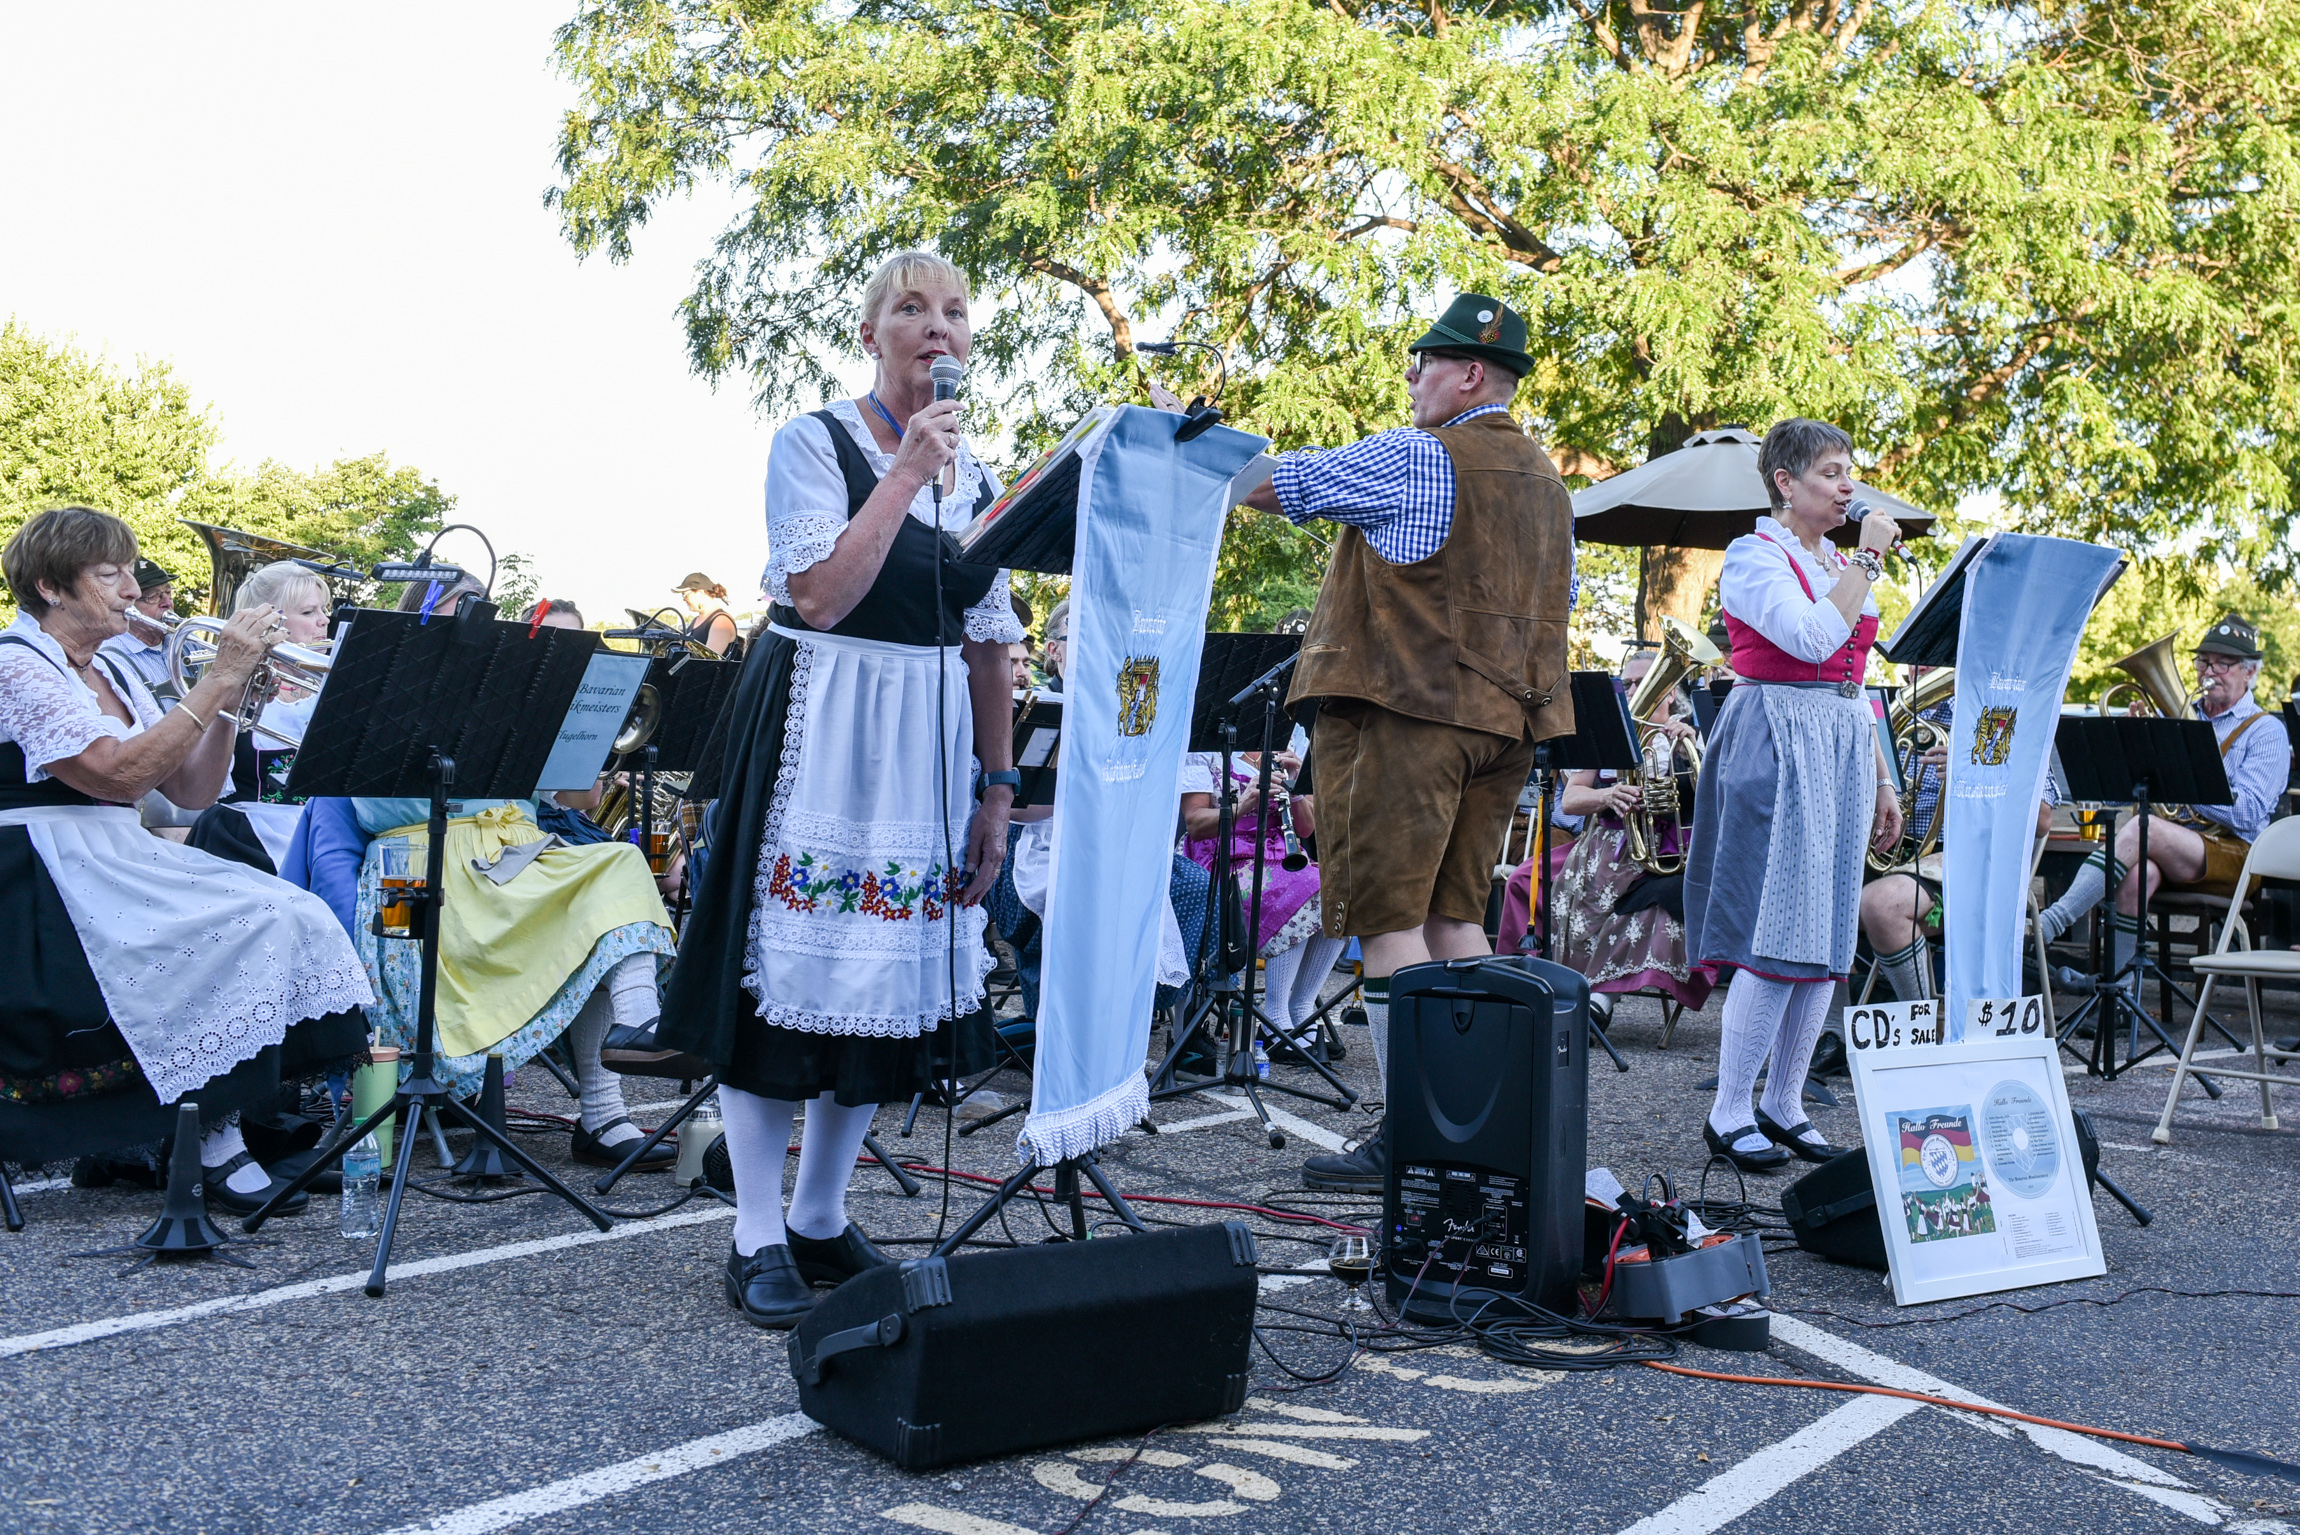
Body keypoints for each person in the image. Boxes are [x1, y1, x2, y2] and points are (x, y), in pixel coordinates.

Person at [648, 249, 1024, 1329]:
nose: (938, 327)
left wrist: (996, 792)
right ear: (870, 332)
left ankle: (819, 1215)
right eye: (912, 308)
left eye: (955, 311)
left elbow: (989, 646)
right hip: (820, 716)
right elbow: (818, 596)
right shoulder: (812, 443)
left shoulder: (980, 479)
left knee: (879, 980)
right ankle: (754, 1231)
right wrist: (903, 474)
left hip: (923, 739)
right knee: (788, 968)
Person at [1239, 294, 1575, 1191]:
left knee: (1387, 924)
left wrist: (1194, 453)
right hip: (1508, 727)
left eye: (1423, 363)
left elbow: (1276, 487)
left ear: (1469, 372)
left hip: (1411, 714)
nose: (1412, 378)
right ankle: (1487, 1122)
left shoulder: (1421, 454)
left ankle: (1416, 1133)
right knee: (1455, 921)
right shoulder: (1549, 484)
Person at [0, 507, 371, 1214]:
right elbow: (114, 775)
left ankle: (223, 1129)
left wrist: (236, 696)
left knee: (290, 909)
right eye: (109, 574)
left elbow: (192, 792)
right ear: (50, 586)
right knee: (236, 923)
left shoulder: (111, 670)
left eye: (130, 570)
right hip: (41, 869)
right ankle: (213, 1142)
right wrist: (218, 677)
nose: (132, 588)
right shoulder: (16, 663)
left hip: (110, 854)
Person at [1684, 418, 1904, 1172]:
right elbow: (1811, 639)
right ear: (1785, 482)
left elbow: (1853, 680)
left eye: (1849, 472)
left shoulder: (1835, 561)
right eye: (1832, 473)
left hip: (1838, 740)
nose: (1848, 487)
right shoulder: (1753, 556)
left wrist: (1882, 776)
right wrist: (1868, 558)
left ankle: (1784, 1101)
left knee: (1828, 935)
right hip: (1776, 735)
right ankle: (1729, 1108)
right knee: (1778, 929)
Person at [2034, 615, 2292, 985]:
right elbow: (2128, 795)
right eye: (2203, 661)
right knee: (2138, 876)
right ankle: (2121, 993)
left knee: (2147, 828)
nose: (2209, 671)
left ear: (2249, 672)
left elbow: (2249, 812)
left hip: (2237, 855)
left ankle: (2050, 923)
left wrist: (2185, 781)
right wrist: (2134, 745)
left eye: (2223, 664)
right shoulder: (2176, 719)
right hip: (2175, 849)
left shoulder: (2266, 731)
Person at [1540, 650, 1715, 1017]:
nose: (1634, 690)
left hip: (1670, 854)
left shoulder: (1692, 738)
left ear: (1670, 692)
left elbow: (1721, 804)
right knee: (1530, 883)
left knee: (1666, 901)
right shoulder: (1607, 736)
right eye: (1628, 683)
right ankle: (1555, 990)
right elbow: (1569, 800)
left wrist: (1698, 753)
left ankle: (1601, 998)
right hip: (1607, 851)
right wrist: (1607, 796)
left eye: (1643, 682)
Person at [1179, 749, 1346, 1047]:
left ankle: (1301, 1009)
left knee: (1341, 890)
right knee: (1300, 890)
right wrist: (1243, 803)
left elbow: (1307, 828)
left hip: (1278, 854)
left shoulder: (1289, 743)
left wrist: (1295, 790)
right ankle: (1275, 1019)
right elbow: (1194, 824)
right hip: (1222, 857)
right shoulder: (1208, 749)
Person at [183, 559, 335, 873]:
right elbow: (199, 787)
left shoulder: (333, 686)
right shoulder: (231, 687)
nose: (324, 621)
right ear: (270, 623)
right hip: (242, 838)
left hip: (322, 835)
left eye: (324, 610)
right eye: (309, 612)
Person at [96, 557, 178, 697]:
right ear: (128, 606)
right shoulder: (112, 658)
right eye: (153, 596)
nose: (167, 603)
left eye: (168, 592)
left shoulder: (186, 642)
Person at [674, 572, 740, 656]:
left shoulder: (721, 622)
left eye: (685, 595)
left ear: (700, 593)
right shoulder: (696, 620)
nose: (684, 599)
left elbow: (709, 659)